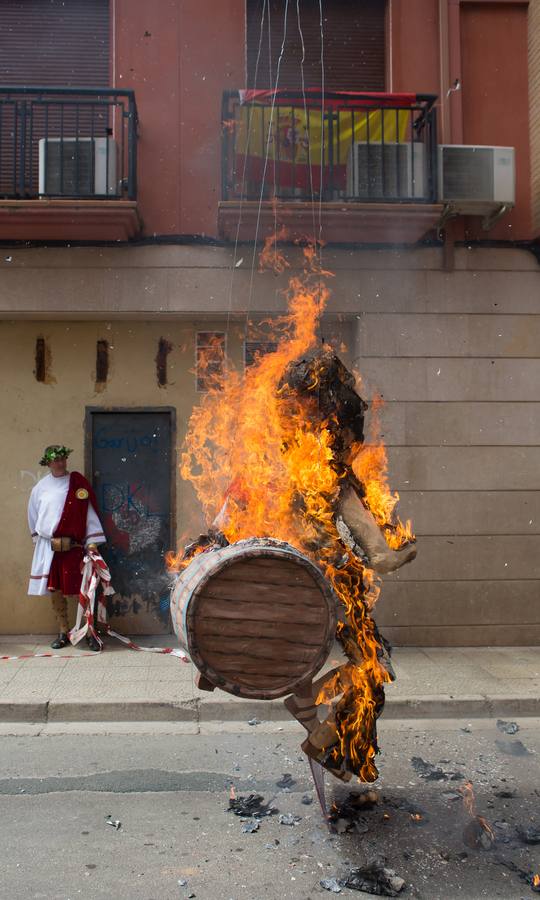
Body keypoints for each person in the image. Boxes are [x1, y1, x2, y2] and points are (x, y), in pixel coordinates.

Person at [27, 445, 106, 651]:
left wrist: (92, 543)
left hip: (76, 548)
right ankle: (63, 632)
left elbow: (88, 514)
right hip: (52, 549)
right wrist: (41, 544)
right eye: (56, 460)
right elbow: (33, 517)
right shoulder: (40, 488)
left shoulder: (78, 484)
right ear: (48, 463)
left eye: (63, 459)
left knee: (85, 590)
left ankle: (90, 633)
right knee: (57, 591)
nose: (60, 463)